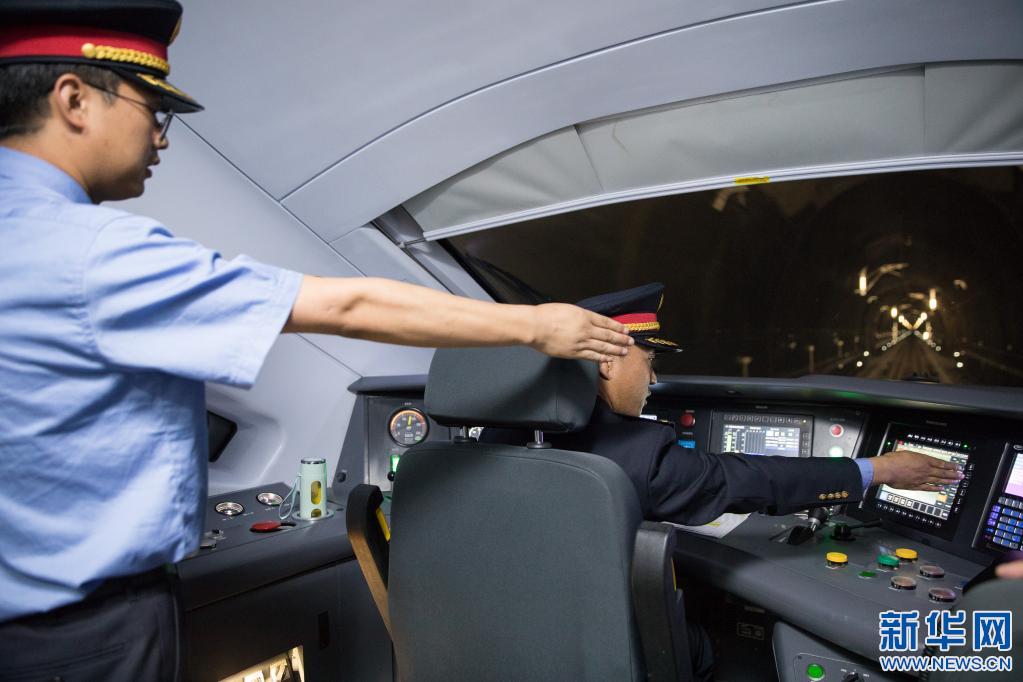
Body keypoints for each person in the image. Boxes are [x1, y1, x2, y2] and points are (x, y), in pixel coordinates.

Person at [0, 2, 632, 679]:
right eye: (153, 110)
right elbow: (347, 305)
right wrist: (537, 325)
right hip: (83, 632)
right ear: (74, 99)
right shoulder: (93, 253)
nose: (161, 138)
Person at [485, 282, 963, 526]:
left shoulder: (495, 435)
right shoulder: (636, 458)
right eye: (649, 360)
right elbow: (750, 478)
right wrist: (879, 470)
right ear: (607, 360)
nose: (654, 379)